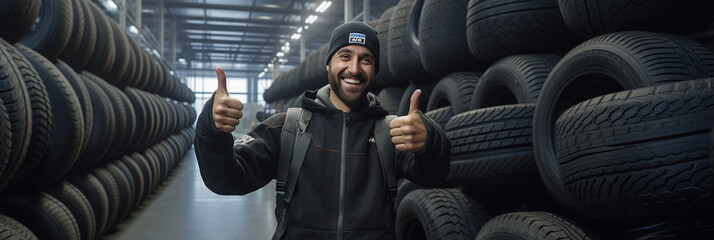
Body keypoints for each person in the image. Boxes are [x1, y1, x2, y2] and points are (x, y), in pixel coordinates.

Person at [194, 21, 450, 240]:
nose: (354, 69)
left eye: (366, 59)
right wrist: (211, 129)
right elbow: (226, 179)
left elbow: (434, 175)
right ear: (328, 64)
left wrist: (431, 140)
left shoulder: (390, 133)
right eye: (345, 56)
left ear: (375, 70)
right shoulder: (287, 128)